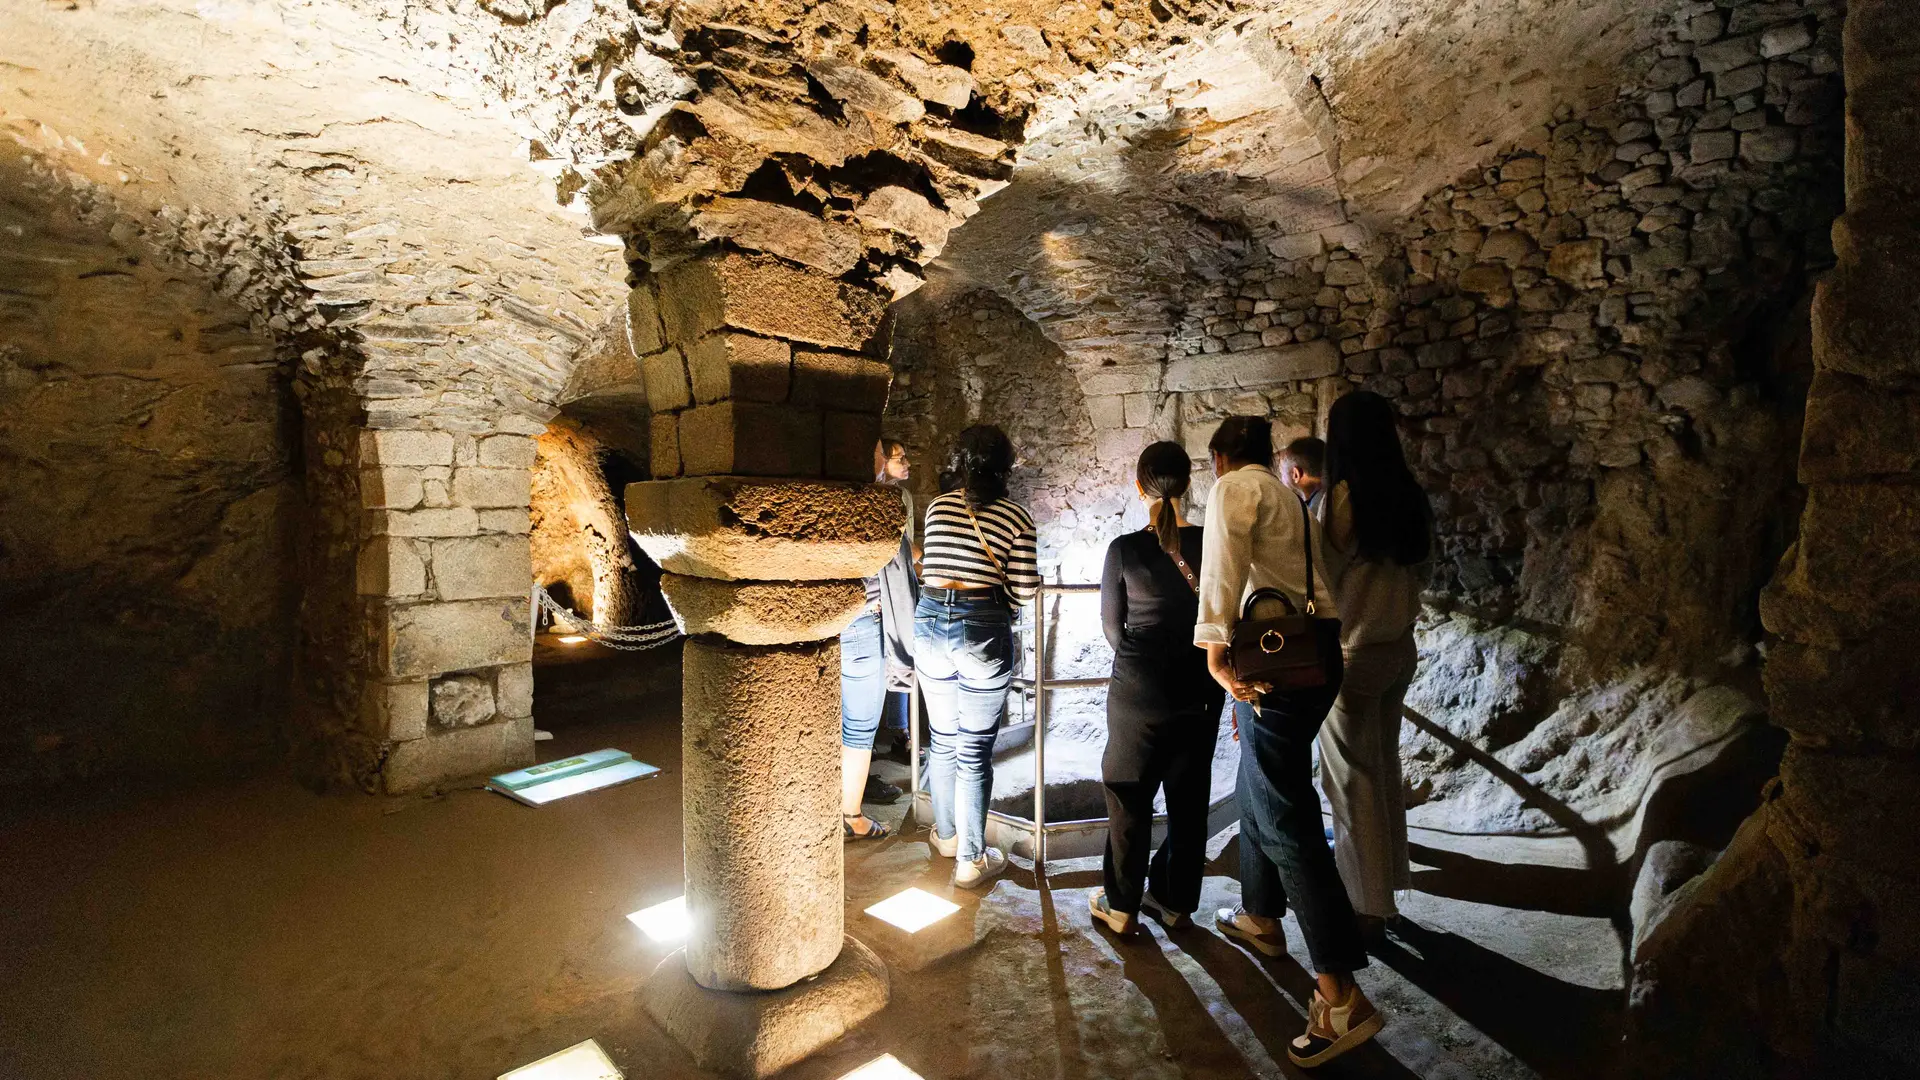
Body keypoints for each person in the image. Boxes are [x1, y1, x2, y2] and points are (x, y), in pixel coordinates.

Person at [1194, 415, 1382, 1067]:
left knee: (1285, 818)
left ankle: (1340, 994)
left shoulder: (1234, 488)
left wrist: (1214, 650)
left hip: (1274, 658)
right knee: (1259, 785)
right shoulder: (1288, 494)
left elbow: (1222, 566)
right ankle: (1261, 915)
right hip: (1315, 650)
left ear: (1220, 458)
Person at [1089, 442, 1227, 937]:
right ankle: (1175, 901)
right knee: (1189, 797)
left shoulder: (1124, 549)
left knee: (1128, 793)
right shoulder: (1213, 543)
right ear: (1188, 485)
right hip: (1201, 682)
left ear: (1139, 485)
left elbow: (1113, 628)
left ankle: (1122, 905)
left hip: (1139, 687)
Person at [1317, 392, 1431, 939]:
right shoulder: (1409, 495)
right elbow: (1421, 570)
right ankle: (1387, 891)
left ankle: (1365, 908)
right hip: (1398, 648)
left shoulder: (1344, 498)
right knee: (1383, 771)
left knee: (1349, 783)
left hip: (1352, 653)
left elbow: (1322, 576)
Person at [914, 425, 1040, 889]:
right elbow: (1023, 591)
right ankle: (971, 859)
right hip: (981, 627)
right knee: (974, 749)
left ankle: (947, 836)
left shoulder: (937, 507)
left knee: (942, 739)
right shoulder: (1016, 518)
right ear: (1006, 468)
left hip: (930, 622)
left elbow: (932, 565)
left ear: (961, 463)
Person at [841, 439, 920, 839]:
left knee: (837, 720)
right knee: (858, 727)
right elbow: (899, 561)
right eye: (881, 451)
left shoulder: (832, 497)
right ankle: (851, 816)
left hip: (835, 622)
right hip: (862, 623)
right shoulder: (874, 504)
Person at [1280, 436, 1328, 514]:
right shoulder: (1335, 494)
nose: (1282, 480)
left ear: (1296, 474)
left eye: (1282, 473)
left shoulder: (1313, 511)